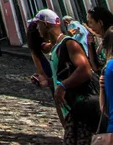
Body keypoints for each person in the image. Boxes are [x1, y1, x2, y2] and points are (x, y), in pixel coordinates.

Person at [37, 8, 98, 145]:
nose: (37, 29)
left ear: (46, 24)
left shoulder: (69, 43)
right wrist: (47, 81)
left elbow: (84, 69)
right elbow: (61, 75)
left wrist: (63, 86)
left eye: (38, 24)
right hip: (69, 110)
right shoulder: (55, 47)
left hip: (81, 109)